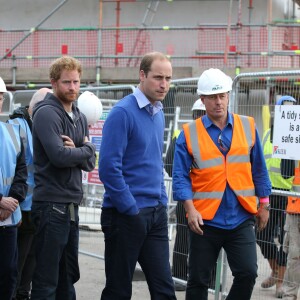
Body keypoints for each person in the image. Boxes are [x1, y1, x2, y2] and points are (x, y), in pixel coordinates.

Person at [172, 68, 272, 300]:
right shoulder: (188, 133)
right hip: (205, 220)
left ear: (228, 96)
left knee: (247, 272)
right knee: (198, 279)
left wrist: (264, 204)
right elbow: (180, 177)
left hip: (241, 216)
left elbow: (259, 169)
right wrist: (190, 209)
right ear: (202, 99)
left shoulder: (248, 126)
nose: (219, 102)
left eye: (222, 96)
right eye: (213, 97)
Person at [98, 51, 176, 300]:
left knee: (164, 288)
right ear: (142, 75)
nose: (164, 84)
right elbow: (109, 168)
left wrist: (161, 199)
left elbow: (154, 161)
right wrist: (130, 208)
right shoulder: (122, 113)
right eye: (158, 77)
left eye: (168, 78)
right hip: (125, 215)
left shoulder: (158, 112)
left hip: (155, 213)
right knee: (119, 290)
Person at [30, 56, 96, 300]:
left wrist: (78, 150)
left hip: (70, 207)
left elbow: (90, 162)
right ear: (54, 83)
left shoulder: (78, 115)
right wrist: (84, 149)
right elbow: (58, 156)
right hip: (51, 206)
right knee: (47, 280)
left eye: (76, 82)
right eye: (66, 82)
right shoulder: (47, 114)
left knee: (68, 278)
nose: (72, 87)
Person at [8, 88, 52, 300]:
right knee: (18, 263)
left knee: (31, 262)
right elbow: (26, 162)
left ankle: (23, 294)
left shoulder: (35, 124)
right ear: (35, 108)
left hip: (36, 205)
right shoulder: (19, 126)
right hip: (20, 207)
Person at [165, 99, 206, 291]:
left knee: (197, 237)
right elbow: (170, 165)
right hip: (193, 196)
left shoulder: (184, 134)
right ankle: (183, 278)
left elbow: (168, 165)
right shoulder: (184, 134)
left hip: (201, 196)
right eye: (200, 114)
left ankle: (186, 278)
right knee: (186, 236)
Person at [257, 95, 296, 299]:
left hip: (289, 196)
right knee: (261, 236)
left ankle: (280, 283)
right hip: (269, 195)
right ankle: (274, 270)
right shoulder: (265, 136)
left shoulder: (296, 136)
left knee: (285, 240)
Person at [0, 78, 28, 300]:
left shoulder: (12, 131)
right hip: (3, 207)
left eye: (0, 97)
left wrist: (13, 201)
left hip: (8, 216)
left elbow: (21, 172)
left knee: (8, 273)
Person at [282, 161, 300, 300]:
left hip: (295, 209)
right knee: (294, 255)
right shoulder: (293, 143)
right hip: (295, 209)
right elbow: (286, 173)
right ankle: (290, 294)